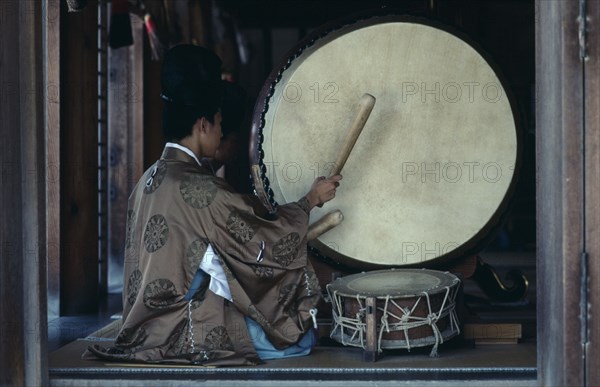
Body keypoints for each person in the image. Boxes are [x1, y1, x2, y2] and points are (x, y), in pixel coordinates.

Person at [83, 44, 342, 365]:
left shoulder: (150, 178)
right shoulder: (198, 187)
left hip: (145, 324)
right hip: (185, 324)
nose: (221, 134)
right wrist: (309, 201)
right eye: (219, 123)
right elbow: (262, 242)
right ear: (203, 124)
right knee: (297, 342)